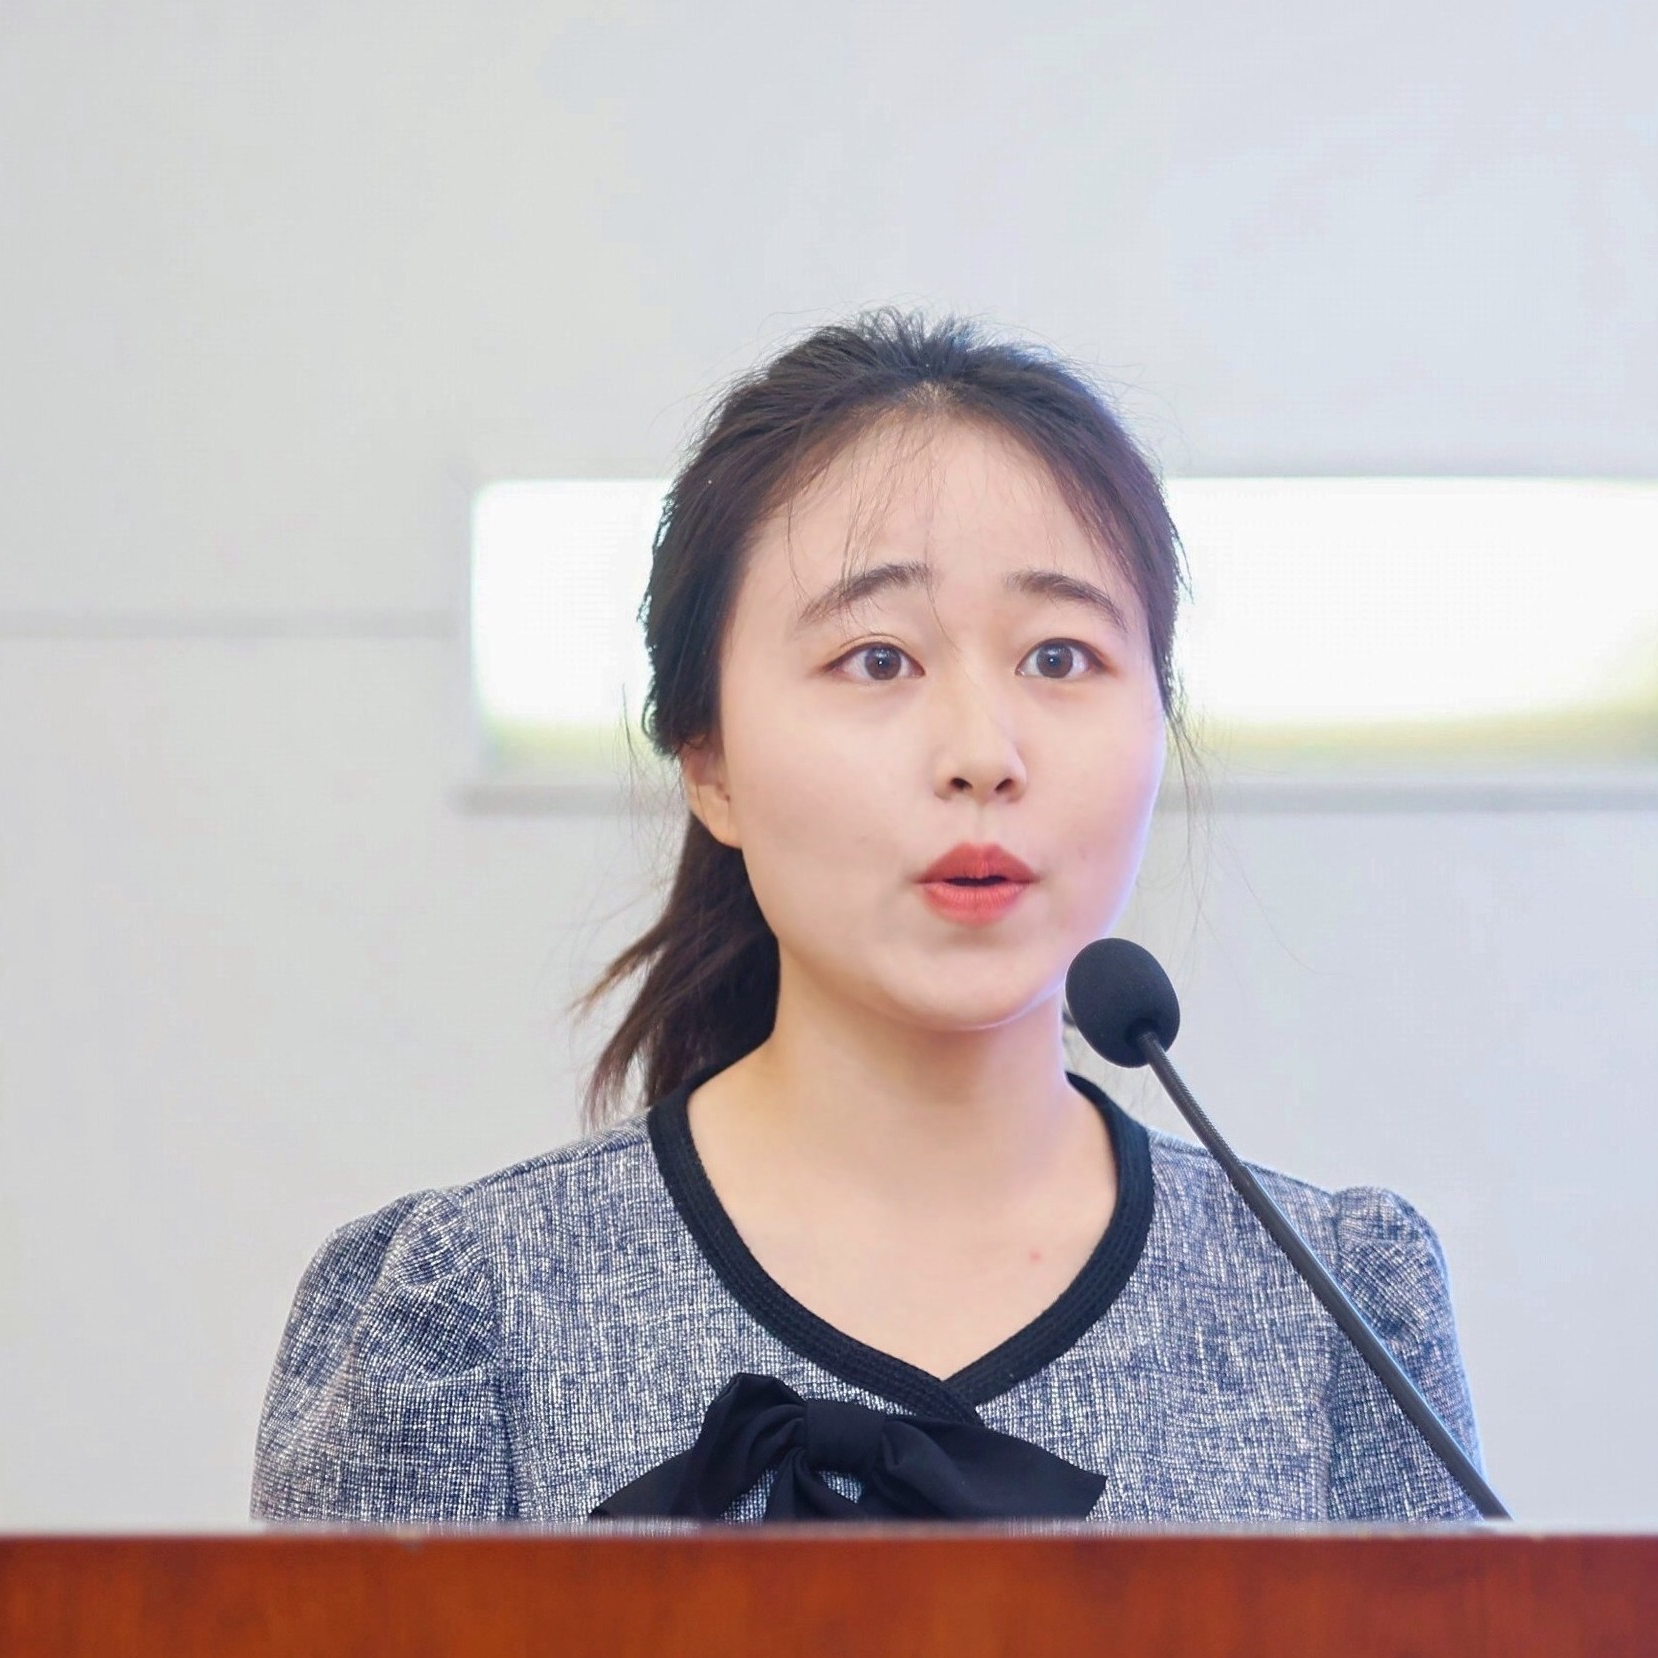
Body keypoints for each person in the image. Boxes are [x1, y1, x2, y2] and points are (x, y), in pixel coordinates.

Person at [254, 315, 1482, 1525]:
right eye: (877, 660)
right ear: (708, 761)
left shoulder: (1336, 1318)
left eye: (1059, 658)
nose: (982, 753)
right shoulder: (466, 1315)